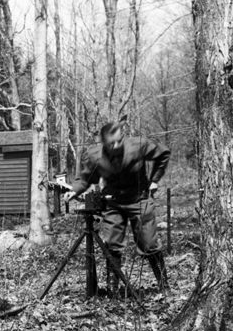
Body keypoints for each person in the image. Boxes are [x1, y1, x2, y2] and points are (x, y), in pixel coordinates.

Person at [69, 121, 171, 294]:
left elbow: (164, 154)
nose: (116, 146)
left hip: (139, 200)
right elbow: (86, 178)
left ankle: (164, 286)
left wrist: (154, 179)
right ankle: (112, 290)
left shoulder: (138, 145)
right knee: (112, 244)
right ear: (103, 142)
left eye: (119, 141)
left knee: (149, 243)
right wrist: (74, 190)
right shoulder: (95, 156)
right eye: (111, 143)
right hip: (113, 203)